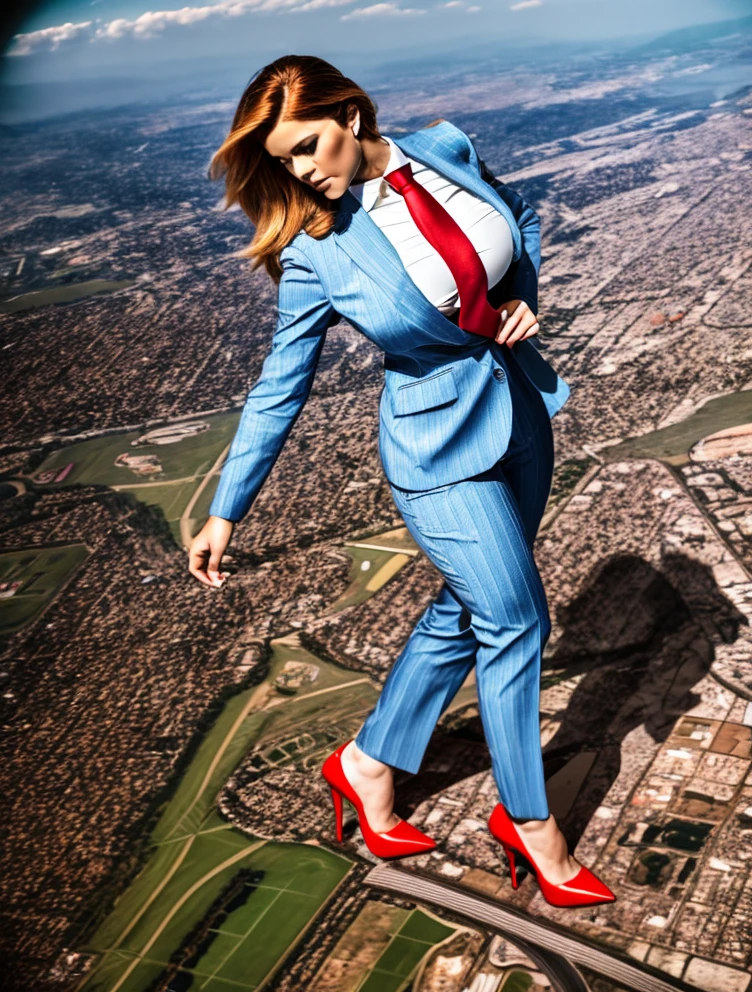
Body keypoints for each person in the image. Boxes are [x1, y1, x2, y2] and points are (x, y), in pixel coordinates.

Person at [188, 55, 615, 908]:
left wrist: (522, 294)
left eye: (308, 146)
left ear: (350, 114)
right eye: (285, 163)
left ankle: (365, 764)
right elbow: (281, 384)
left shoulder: (446, 145)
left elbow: (517, 218)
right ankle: (530, 826)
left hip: (520, 411)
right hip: (435, 456)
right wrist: (226, 510)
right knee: (516, 620)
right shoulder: (318, 252)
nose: (303, 171)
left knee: (471, 608)